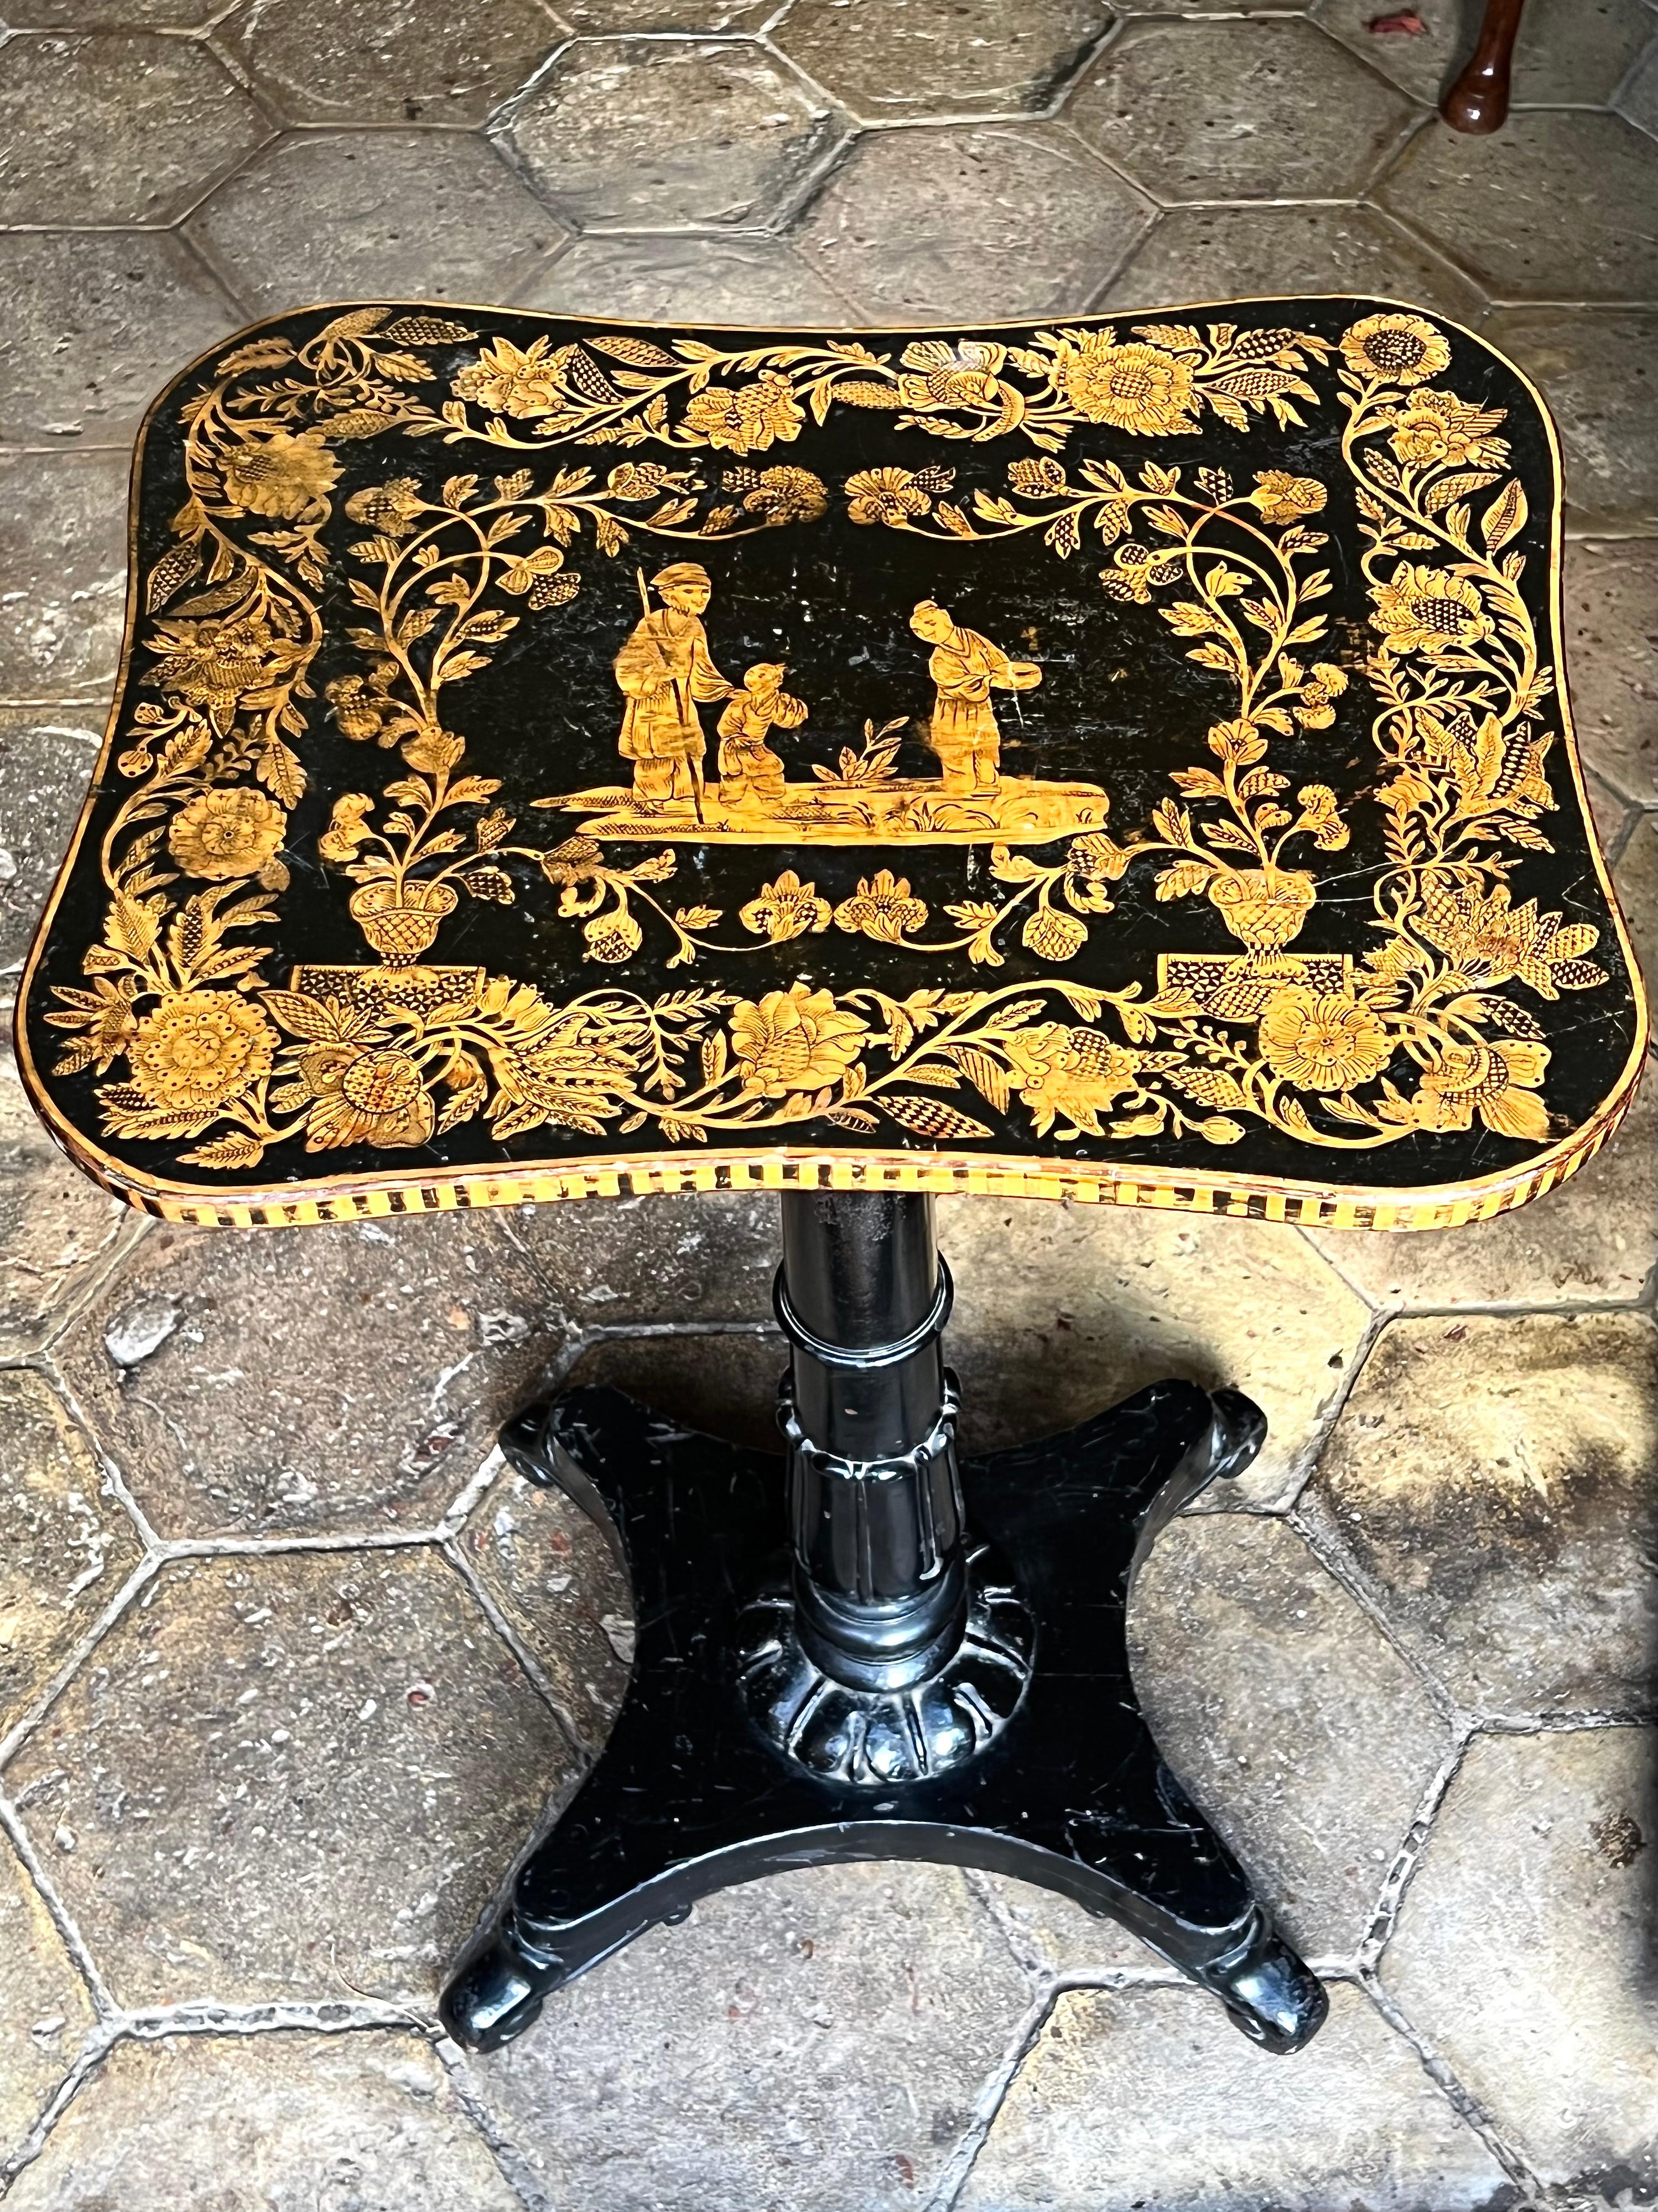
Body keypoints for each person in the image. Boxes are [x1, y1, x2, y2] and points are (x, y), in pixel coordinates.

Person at [613, 563, 732, 805]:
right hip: (653, 699)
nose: (700, 598)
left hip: (682, 695)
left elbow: (701, 664)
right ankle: (651, 798)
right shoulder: (653, 622)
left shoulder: (695, 626)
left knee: (686, 746)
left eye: (705, 591)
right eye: (689, 591)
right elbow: (631, 660)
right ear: (668, 593)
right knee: (656, 750)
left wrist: (723, 690)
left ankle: (685, 796)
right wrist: (657, 671)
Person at [909, 599, 1041, 796]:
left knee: (985, 747)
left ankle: (988, 791)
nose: (928, 634)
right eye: (919, 632)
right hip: (954, 711)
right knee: (957, 752)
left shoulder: (972, 638)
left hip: (981, 708)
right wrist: (991, 680)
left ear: (945, 617)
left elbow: (997, 662)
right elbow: (959, 685)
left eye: (931, 625)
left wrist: (1013, 673)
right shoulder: (939, 659)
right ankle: (959, 800)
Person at [716, 663, 807, 811]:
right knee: (734, 775)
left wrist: (795, 711)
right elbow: (725, 726)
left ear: (777, 681)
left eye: (761, 675)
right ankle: (730, 802)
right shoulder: (741, 703)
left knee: (770, 769)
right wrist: (735, 736)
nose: (753, 677)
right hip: (734, 745)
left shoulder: (776, 703)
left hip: (757, 745)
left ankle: (770, 798)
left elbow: (786, 719)